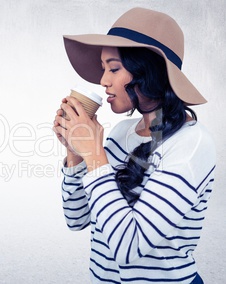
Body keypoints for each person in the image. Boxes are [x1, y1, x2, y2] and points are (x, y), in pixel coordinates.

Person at [53, 7, 215, 284]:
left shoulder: (191, 143)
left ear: (148, 71)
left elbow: (129, 247)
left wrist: (94, 154)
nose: (103, 81)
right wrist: (75, 153)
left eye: (114, 68)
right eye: (104, 69)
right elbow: (76, 218)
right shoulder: (120, 132)